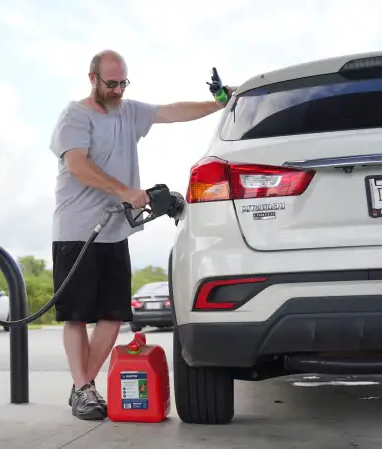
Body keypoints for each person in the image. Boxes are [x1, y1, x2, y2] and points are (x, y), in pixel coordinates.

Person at [48, 49, 235, 421]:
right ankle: (85, 388)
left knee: (113, 316)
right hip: (77, 229)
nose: (117, 90)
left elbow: (172, 111)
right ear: (93, 79)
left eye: (123, 83)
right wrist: (124, 191)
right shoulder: (75, 114)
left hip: (116, 230)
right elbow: (78, 165)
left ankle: (81, 384)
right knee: (76, 316)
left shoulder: (129, 112)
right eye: (111, 83)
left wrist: (220, 103)